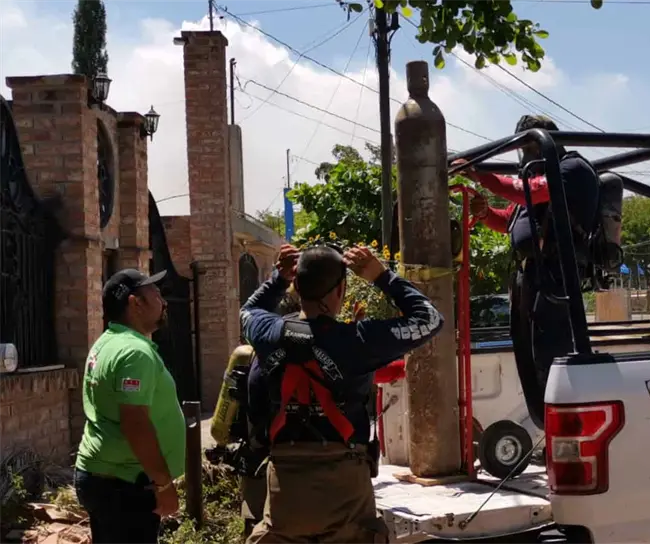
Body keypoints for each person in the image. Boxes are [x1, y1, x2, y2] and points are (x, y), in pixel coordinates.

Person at [241, 243, 444, 544]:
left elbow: (248, 311)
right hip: (345, 486)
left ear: (296, 286)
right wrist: (381, 276)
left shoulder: (268, 332)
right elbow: (429, 319)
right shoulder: (357, 341)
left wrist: (278, 279)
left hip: (285, 484)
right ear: (341, 290)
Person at [453, 114, 600, 429]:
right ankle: (549, 430)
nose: (525, 155)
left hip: (555, 278)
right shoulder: (535, 176)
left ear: (548, 142)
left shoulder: (572, 169)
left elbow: (526, 192)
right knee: (528, 358)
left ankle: (568, 431)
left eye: (530, 146)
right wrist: (485, 212)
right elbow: (510, 218)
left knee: (551, 356)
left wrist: (482, 175)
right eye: (523, 149)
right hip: (528, 278)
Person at [74, 269, 186, 544]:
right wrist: (163, 484)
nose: (164, 301)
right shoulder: (134, 352)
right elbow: (135, 424)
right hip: (123, 484)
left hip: (103, 477)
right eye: (156, 295)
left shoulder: (106, 342)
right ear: (136, 303)